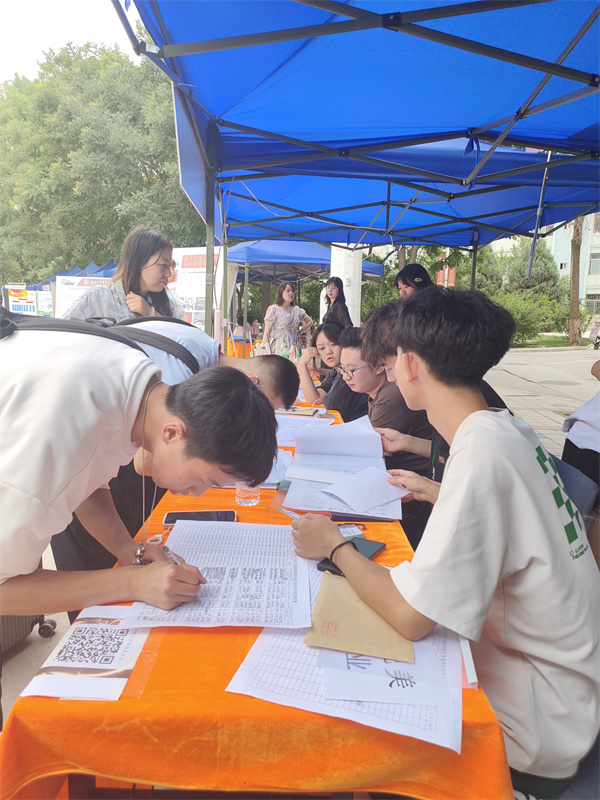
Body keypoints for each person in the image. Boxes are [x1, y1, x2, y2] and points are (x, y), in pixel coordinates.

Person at [292, 288, 600, 798]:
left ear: (411, 364)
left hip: (537, 724)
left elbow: (412, 617)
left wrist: (334, 545)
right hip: (569, 687)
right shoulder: (506, 428)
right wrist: (439, 491)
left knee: (338, 727)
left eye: (391, 360)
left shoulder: (482, 451)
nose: (389, 371)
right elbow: (520, 516)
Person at [0, 326, 277, 617]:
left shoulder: (137, 387)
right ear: (173, 434)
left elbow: (86, 486)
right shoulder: (59, 440)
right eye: (204, 481)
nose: (197, 494)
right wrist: (132, 582)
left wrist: (129, 550)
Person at [338, 326, 435, 547]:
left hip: (413, 496)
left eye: (351, 370)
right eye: (342, 369)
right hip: (416, 487)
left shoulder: (393, 395)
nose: (344, 377)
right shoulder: (378, 392)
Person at [62, 225, 183, 321]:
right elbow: (61, 334)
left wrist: (151, 314)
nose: (168, 274)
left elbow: (181, 339)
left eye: (169, 266)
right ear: (139, 261)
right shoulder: (97, 300)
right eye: (163, 265)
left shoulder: (167, 305)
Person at [297, 322, 368, 422]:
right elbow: (314, 399)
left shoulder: (349, 373)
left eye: (333, 344)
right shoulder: (335, 372)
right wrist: (302, 365)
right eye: (322, 348)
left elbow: (331, 405)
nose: (328, 351)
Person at [263, 282, 312, 356]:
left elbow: (309, 322)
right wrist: (264, 349)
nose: (291, 293)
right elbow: (267, 332)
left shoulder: (297, 310)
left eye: (292, 291)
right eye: (288, 291)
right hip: (279, 347)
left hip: (294, 346)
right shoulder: (274, 309)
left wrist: (299, 332)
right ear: (281, 293)